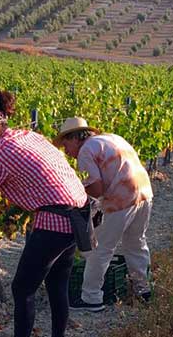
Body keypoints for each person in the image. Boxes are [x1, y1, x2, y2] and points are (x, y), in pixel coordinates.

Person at [0, 90, 88, 337]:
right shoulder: (27, 136)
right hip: (77, 214)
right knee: (57, 284)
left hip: (54, 220)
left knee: (22, 288)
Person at [55, 117, 153, 312]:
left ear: (74, 138)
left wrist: (75, 192)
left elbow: (97, 188)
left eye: (65, 145)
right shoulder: (112, 138)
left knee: (100, 249)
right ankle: (143, 290)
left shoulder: (85, 151)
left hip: (121, 200)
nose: (66, 152)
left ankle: (91, 298)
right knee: (136, 243)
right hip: (144, 194)